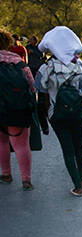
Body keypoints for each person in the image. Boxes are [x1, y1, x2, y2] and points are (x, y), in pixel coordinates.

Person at [35, 26, 82, 196]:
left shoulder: (45, 69)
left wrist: (45, 121)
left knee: (67, 150)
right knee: (78, 148)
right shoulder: (79, 66)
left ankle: (77, 187)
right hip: (77, 113)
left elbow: (42, 98)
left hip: (57, 115)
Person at [0, 29, 35, 190]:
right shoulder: (17, 60)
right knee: (21, 144)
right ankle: (26, 179)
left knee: (1, 142)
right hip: (18, 108)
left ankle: (6, 174)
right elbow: (31, 85)